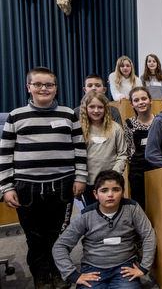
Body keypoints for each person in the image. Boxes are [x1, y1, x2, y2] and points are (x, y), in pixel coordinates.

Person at [0, 67, 87, 289]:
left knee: (59, 233)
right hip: (26, 187)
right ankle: (40, 275)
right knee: (34, 236)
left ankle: (57, 269)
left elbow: (79, 149)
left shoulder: (69, 114)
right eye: (38, 84)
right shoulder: (16, 115)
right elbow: (5, 153)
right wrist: (6, 187)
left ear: (56, 88)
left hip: (63, 184)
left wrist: (80, 177)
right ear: (29, 87)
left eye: (49, 84)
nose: (43, 88)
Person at [52, 170, 156, 289]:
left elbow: (148, 235)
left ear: (123, 192)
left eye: (116, 190)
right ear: (95, 194)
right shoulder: (85, 215)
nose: (110, 194)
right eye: (104, 190)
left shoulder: (132, 208)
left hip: (124, 268)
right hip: (93, 269)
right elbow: (60, 246)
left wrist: (143, 268)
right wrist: (73, 275)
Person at [79, 91, 127, 206]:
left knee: (113, 214)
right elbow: (77, 156)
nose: (96, 111)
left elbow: (122, 154)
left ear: (106, 108)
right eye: (92, 107)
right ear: (85, 108)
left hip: (111, 182)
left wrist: (113, 175)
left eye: (100, 107)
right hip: (89, 182)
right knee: (92, 215)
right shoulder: (79, 129)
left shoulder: (116, 128)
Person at [124, 87, 154, 209]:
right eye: (136, 100)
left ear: (150, 100)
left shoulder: (159, 121)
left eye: (144, 98)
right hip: (137, 171)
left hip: (156, 169)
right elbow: (128, 147)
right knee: (139, 206)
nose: (141, 102)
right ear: (131, 104)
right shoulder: (129, 124)